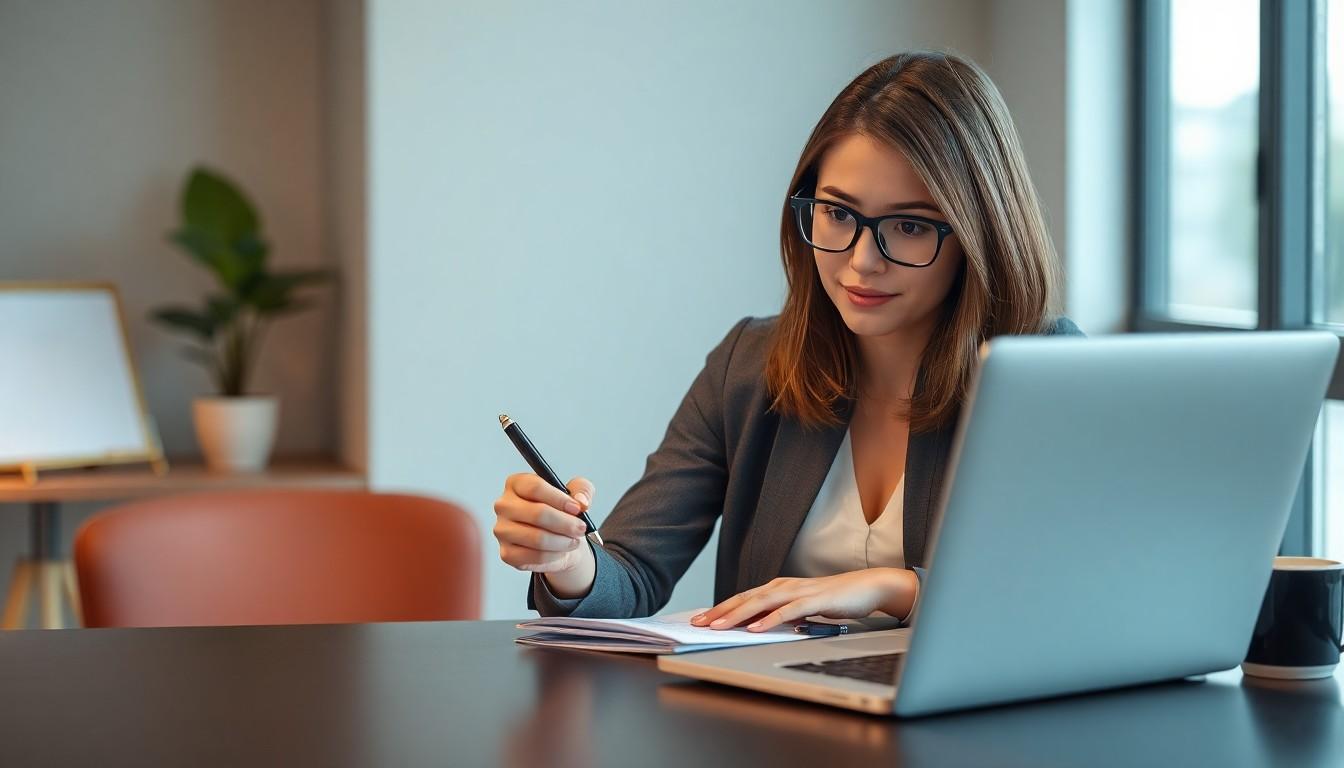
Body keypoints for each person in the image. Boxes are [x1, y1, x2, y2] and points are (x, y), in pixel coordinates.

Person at [492, 51, 1083, 633]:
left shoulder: (1047, 371)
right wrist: (567, 560)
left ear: (980, 233)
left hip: (974, 725)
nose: (860, 262)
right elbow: (635, 574)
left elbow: (1070, 592)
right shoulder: (748, 366)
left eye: (909, 226)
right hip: (776, 719)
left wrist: (895, 587)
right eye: (838, 214)